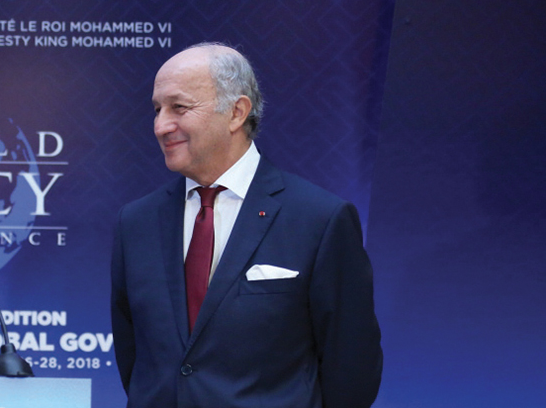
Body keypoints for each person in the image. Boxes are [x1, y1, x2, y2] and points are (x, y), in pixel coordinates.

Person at [110, 43, 382, 407]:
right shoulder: (136, 222)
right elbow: (135, 357)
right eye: (157, 109)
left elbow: (352, 369)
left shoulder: (319, 219)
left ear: (236, 112)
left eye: (179, 107)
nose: (161, 126)